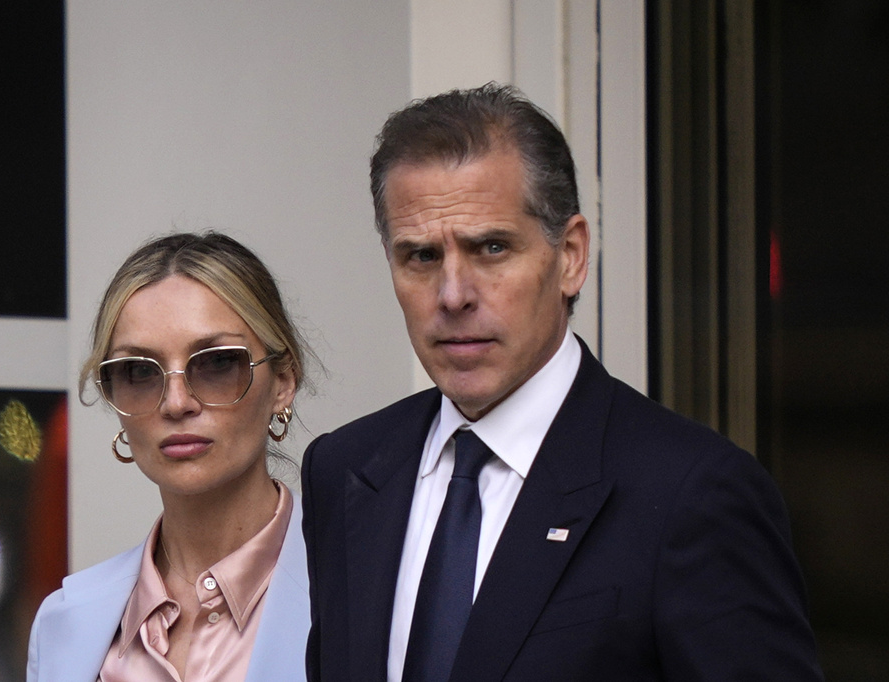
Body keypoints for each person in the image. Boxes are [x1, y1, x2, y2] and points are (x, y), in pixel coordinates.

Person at [301, 83, 824, 681]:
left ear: (570, 256)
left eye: (491, 248)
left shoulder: (692, 494)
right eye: (421, 256)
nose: (453, 295)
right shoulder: (346, 470)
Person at [28, 231, 311, 682]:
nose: (176, 403)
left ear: (283, 381)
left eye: (217, 362)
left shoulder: (362, 592)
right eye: (138, 371)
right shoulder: (64, 622)